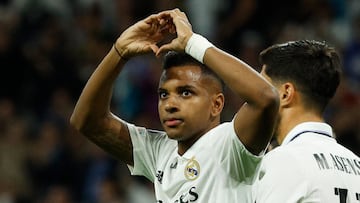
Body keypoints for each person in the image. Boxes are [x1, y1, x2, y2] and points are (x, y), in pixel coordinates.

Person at [70, 8, 279, 202]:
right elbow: (87, 121)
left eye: (185, 93)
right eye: (163, 95)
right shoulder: (159, 151)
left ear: (216, 105)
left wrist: (192, 43)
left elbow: (266, 97)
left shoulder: (230, 145)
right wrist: (119, 52)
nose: (170, 104)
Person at [252, 40, 360, 202]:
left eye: (263, 89)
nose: (255, 99)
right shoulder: (356, 164)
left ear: (285, 93)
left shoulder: (284, 161)